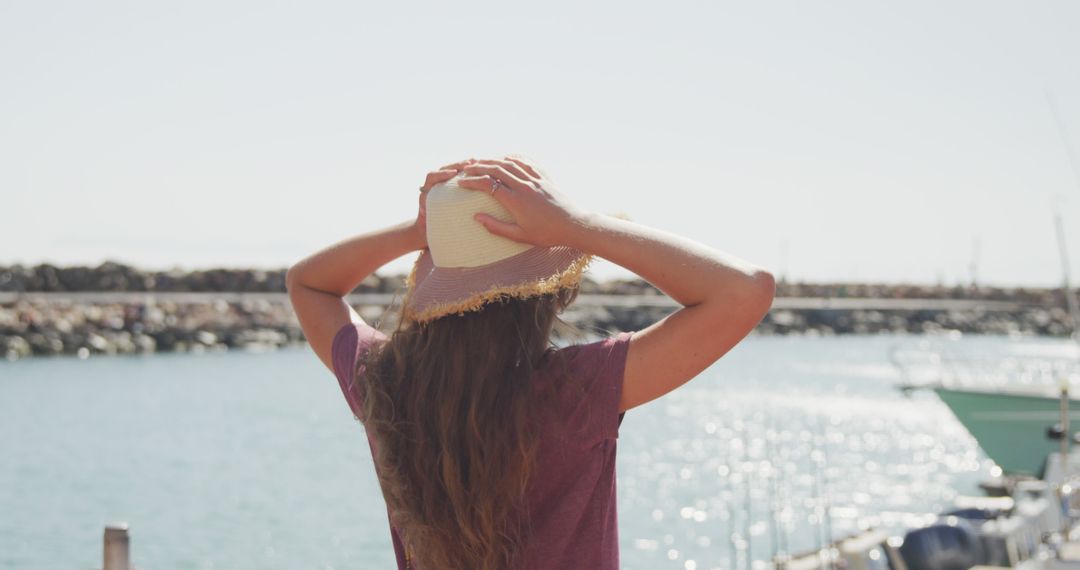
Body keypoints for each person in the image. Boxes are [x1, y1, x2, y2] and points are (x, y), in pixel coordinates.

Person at [286, 155, 775, 569]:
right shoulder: (579, 389)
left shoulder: (382, 378)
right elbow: (744, 291)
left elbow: (307, 284)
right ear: (551, 294)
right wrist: (580, 227)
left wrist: (419, 231)